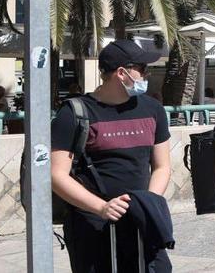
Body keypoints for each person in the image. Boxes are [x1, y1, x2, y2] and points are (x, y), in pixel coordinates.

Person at [50, 39, 172, 272]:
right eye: (142, 70)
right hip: (92, 226)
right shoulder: (74, 113)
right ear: (122, 73)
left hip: (142, 222)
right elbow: (57, 175)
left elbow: (162, 166)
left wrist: (147, 203)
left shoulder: (153, 109)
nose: (146, 75)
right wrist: (102, 208)